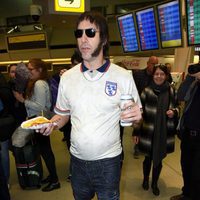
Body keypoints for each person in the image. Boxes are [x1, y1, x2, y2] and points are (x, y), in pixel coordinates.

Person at [39, 11, 142, 200]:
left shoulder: (123, 76)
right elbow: (62, 115)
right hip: (77, 162)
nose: (83, 39)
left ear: (104, 39)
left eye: (91, 33)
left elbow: (136, 122)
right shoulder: (68, 78)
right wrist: (51, 124)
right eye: (79, 33)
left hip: (109, 162)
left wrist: (137, 119)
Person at [13, 58, 60, 192]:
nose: (28, 71)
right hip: (39, 121)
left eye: (31, 69)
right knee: (45, 151)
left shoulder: (39, 84)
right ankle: (52, 177)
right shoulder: (39, 82)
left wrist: (23, 100)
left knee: (46, 151)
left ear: (39, 70)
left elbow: (40, 106)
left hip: (40, 121)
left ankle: (55, 180)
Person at [135, 64, 179, 196]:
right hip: (148, 131)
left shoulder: (171, 90)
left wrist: (174, 111)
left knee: (158, 159)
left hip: (164, 131)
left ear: (166, 76)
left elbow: (178, 107)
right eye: (156, 74)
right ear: (153, 75)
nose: (159, 76)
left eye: (161, 74)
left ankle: (154, 183)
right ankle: (145, 179)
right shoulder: (146, 91)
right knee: (148, 158)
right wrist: (136, 131)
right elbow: (139, 113)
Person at [170, 63, 200, 200]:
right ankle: (186, 194)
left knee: (197, 172)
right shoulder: (194, 82)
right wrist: (190, 77)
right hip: (188, 134)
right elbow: (181, 95)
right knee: (186, 166)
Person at [132, 56, 159, 159]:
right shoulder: (138, 75)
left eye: (156, 64)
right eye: (152, 63)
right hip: (139, 106)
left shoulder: (157, 76)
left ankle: (148, 146)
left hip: (152, 107)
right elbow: (133, 90)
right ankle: (137, 147)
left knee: (148, 128)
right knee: (138, 127)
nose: (154, 66)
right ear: (148, 63)